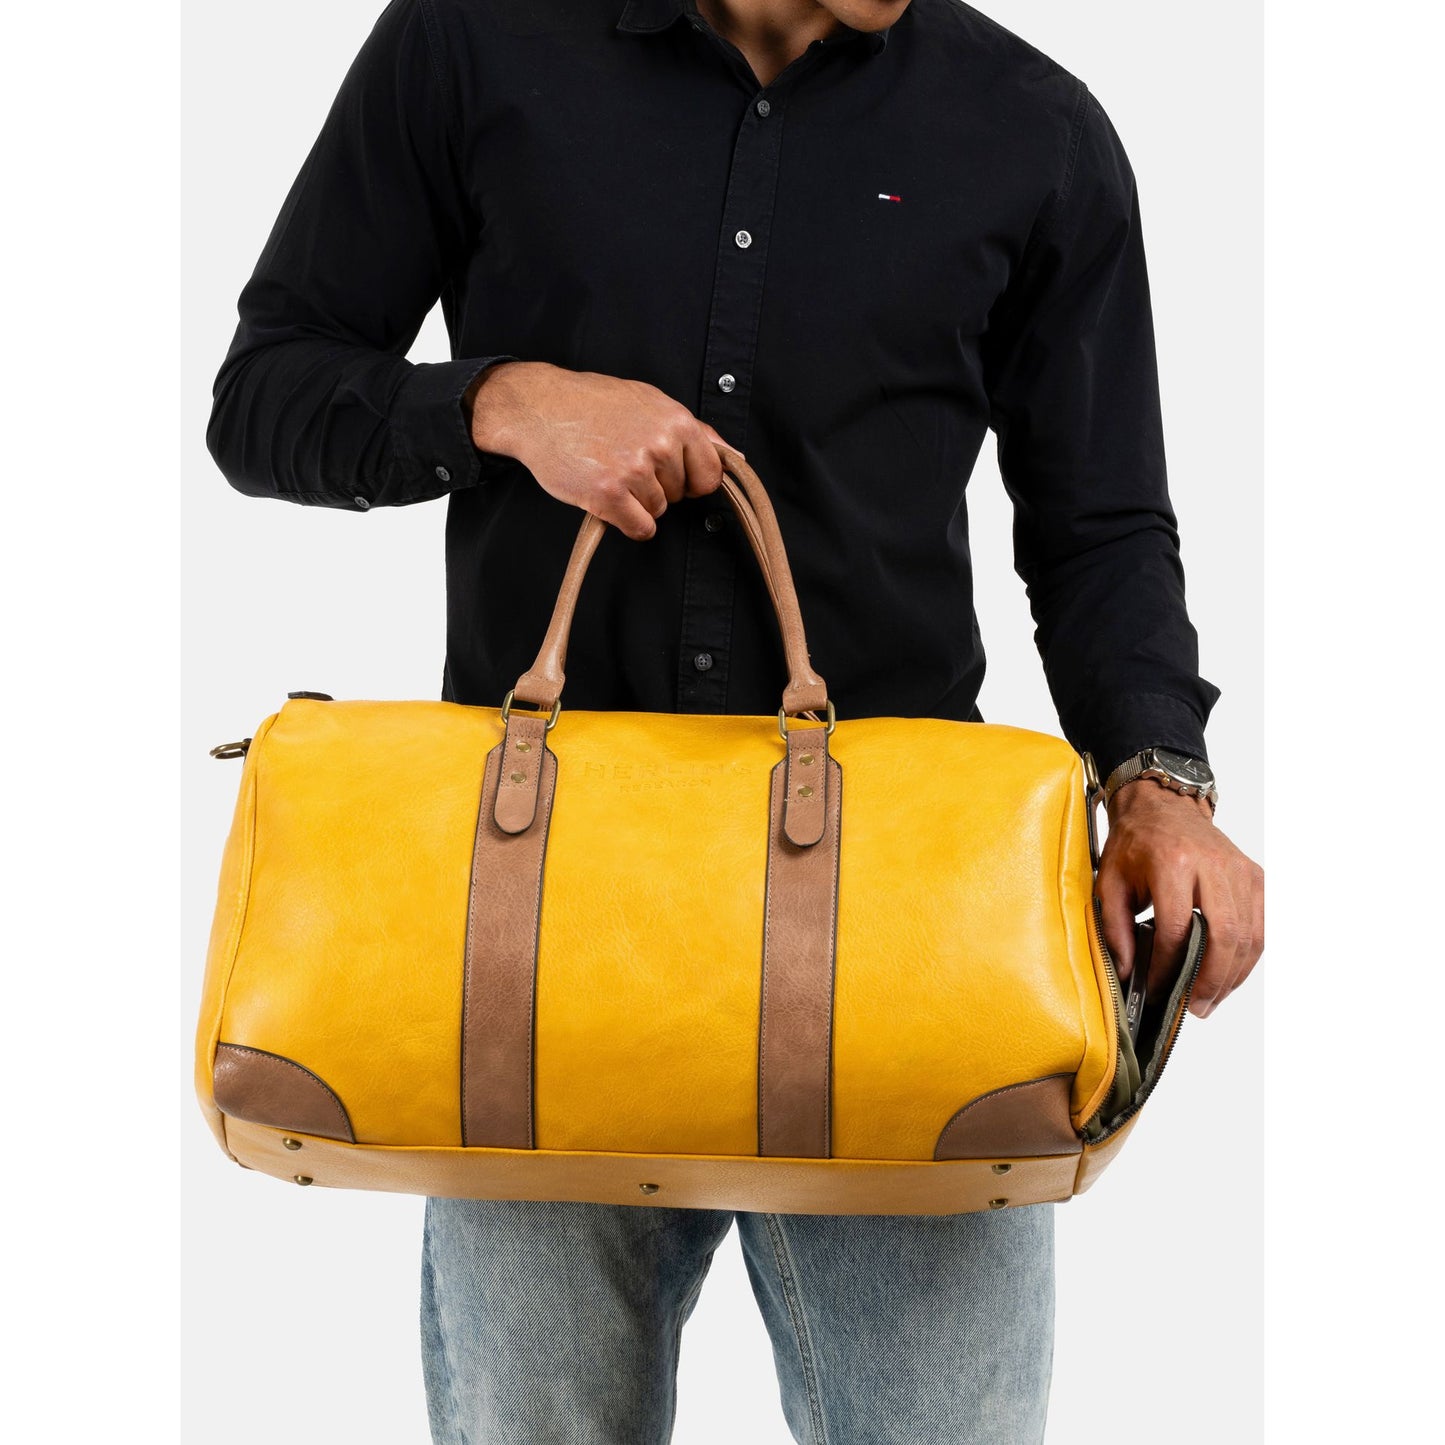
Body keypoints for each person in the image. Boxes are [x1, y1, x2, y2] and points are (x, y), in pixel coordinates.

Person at [205, 1, 1265, 1439]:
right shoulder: (473, 39)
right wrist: (505, 403)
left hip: (907, 937)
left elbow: (1101, 528)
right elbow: (264, 397)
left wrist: (1158, 786)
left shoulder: (1036, 131)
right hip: (537, 932)